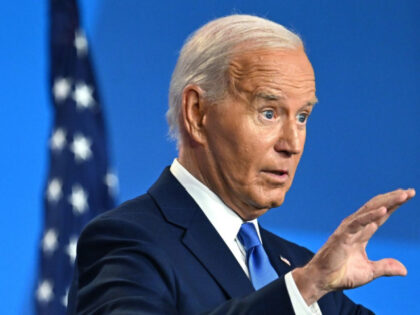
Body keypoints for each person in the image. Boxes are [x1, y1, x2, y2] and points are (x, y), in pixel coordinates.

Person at [67, 14, 415, 314]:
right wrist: (299, 292)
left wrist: (304, 285)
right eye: (268, 113)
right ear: (197, 113)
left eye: (303, 116)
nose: (291, 144)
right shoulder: (126, 240)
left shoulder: (300, 264)